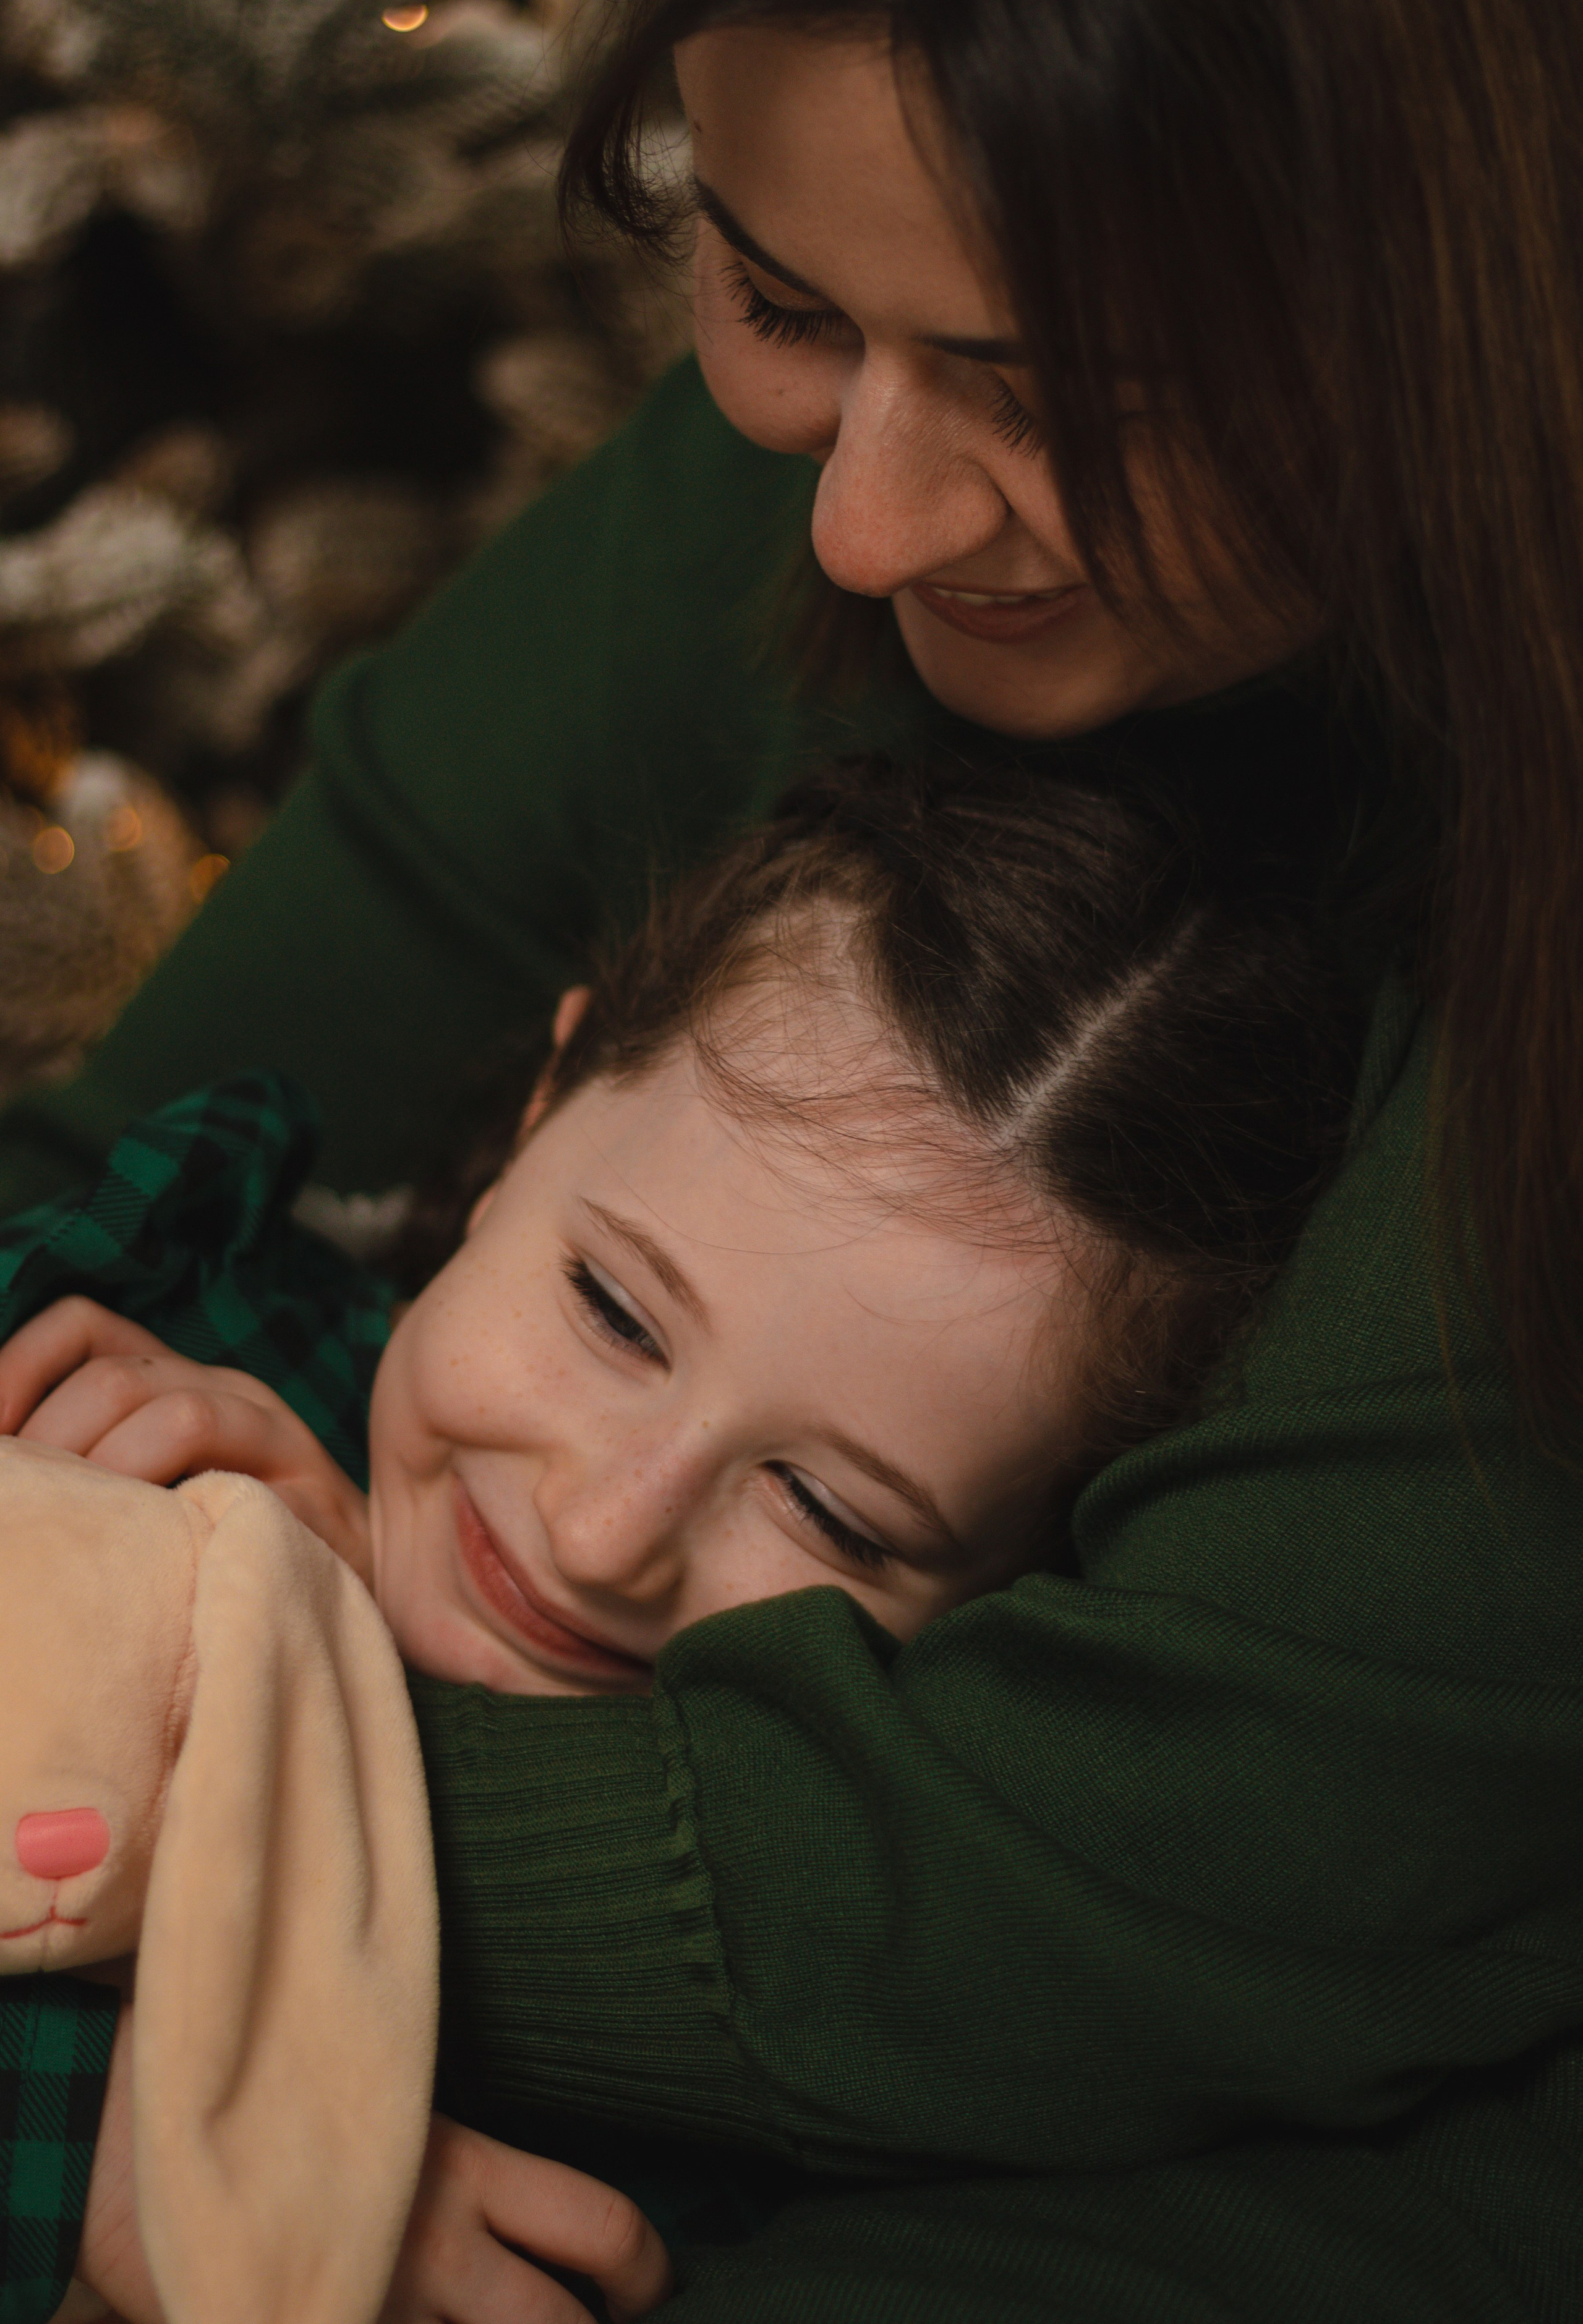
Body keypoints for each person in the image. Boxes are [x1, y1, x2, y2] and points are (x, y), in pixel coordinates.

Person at [2, 0, 1582, 2317]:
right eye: (777, 302)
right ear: (540, 1087)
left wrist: (257, 2048)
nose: (859, 526)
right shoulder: (192, 1329)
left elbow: (1168, 1886)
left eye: (1077, 396)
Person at [1, 758, 1362, 2313]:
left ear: (1016, 1592)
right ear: (542, 1106)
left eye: (829, 1510)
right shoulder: (144, 1348)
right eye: (611, 1311)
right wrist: (120, 2132)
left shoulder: (832, 2049)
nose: (600, 1534)